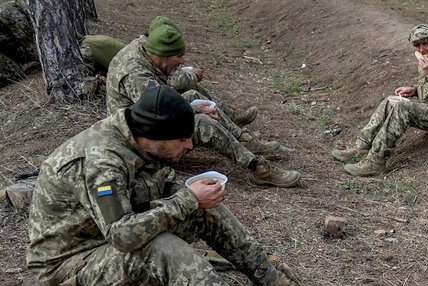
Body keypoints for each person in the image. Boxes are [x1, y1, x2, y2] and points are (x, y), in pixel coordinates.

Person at [26, 85, 332, 286]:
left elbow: (163, 187)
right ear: (156, 136)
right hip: (71, 262)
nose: (189, 145)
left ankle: (273, 285)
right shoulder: (102, 162)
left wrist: (191, 198)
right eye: (183, 139)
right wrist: (186, 200)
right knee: (162, 247)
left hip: (105, 234)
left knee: (204, 210)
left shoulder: (138, 136)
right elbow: (122, 236)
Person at [106, 16, 301, 187]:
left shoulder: (146, 50)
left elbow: (161, 103)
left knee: (192, 97)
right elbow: (158, 113)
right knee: (203, 124)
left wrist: (192, 107)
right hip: (139, 142)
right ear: (161, 55)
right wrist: (193, 113)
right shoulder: (133, 72)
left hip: (147, 125)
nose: (182, 61)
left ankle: (244, 140)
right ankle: (259, 168)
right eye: (178, 56)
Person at [336, 24, 428, 177]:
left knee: (402, 108)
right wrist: (414, 90)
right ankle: (362, 146)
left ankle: (376, 161)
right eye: (417, 45)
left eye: (425, 43)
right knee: (391, 101)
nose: (421, 49)